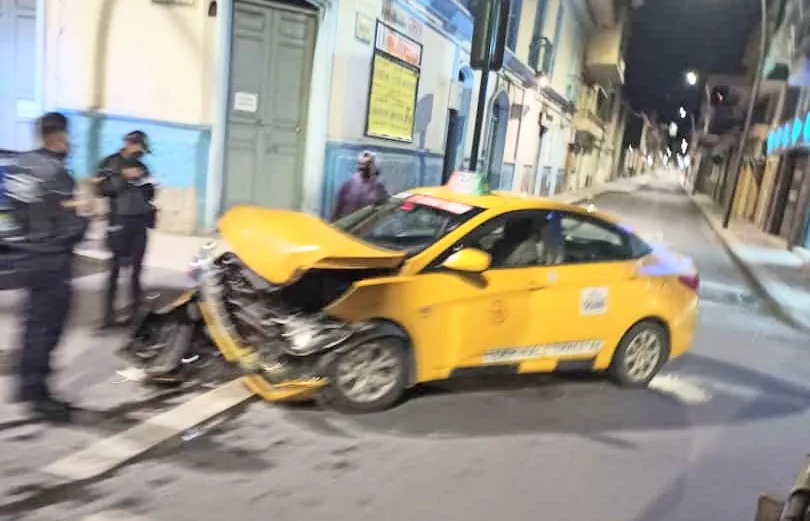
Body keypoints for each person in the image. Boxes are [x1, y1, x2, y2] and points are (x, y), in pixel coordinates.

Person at [4, 112, 88, 421]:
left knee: (31, 324)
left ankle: (25, 385)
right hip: (51, 258)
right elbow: (72, 226)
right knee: (47, 327)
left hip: (25, 254)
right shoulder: (57, 175)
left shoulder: (20, 165)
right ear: (58, 138)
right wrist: (86, 218)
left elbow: (12, 209)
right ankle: (38, 394)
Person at [93, 132, 157, 329]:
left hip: (139, 223)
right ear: (130, 144)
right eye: (139, 149)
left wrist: (146, 185)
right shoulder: (110, 163)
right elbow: (100, 190)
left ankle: (134, 317)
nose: (141, 154)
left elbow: (150, 193)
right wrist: (122, 176)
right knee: (114, 270)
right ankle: (107, 317)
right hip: (119, 222)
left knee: (137, 272)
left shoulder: (143, 167)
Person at [331, 151, 389, 221]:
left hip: (366, 226)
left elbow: (385, 205)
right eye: (361, 164)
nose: (363, 167)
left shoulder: (378, 186)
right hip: (347, 224)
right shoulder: (350, 183)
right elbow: (338, 207)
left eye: (368, 164)